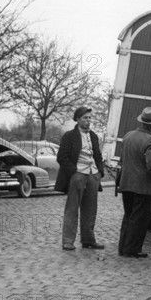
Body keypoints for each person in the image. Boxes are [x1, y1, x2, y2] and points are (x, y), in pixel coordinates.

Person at [55, 106, 105, 251]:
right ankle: (68, 241)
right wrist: (74, 172)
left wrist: (99, 172)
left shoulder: (94, 136)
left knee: (90, 209)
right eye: (85, 118)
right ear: (77, 119)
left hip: (93, 175)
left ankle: (88, 240)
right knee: (72, 208)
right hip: (78, 175)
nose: (88, 121)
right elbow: (61, 157)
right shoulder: (69, 136)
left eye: (90, 118)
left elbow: (98, 156)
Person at [117, 107, 151, 258]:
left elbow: (122, 160)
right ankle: (133, 249)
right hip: (142, 186)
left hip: (126, 183)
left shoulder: (128, 136)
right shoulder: (150, 140)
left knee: (128, 216)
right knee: (140, 219)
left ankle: (123, 247)